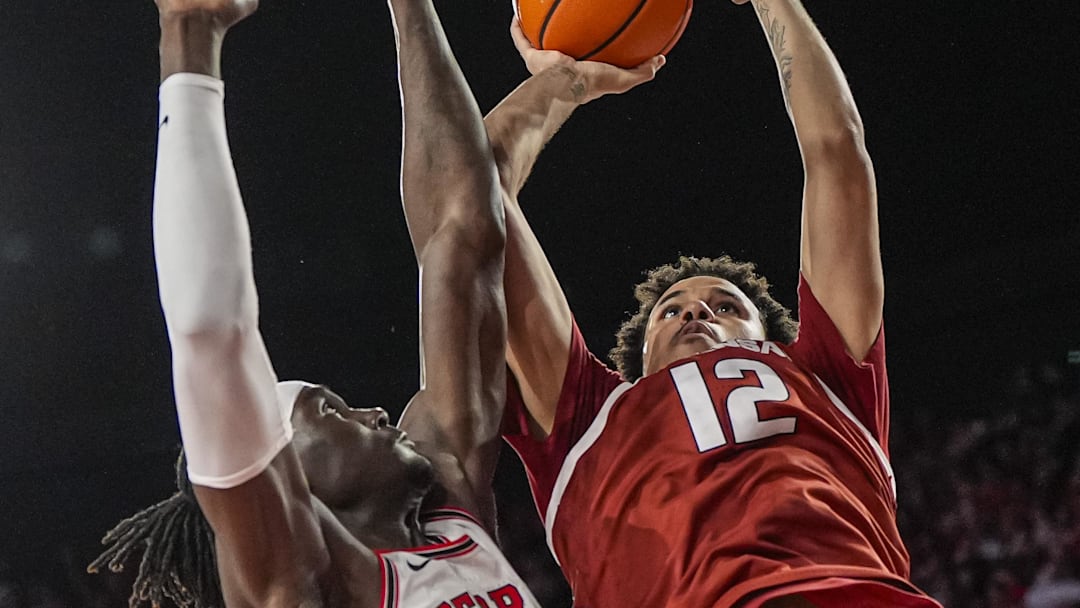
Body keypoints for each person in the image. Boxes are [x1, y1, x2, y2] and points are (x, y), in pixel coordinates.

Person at [482, 1, 944, 607]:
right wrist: (562, 83)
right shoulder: (582, 417)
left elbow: (838, 150)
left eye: (724, 304)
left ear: (766, 333)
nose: (695, 313)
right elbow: (477, 192)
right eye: (670, 311)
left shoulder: (828, 375)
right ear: (638, 357)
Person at [88, 0, 543, 606]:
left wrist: (410, 9)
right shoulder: (303, 580)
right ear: (288, 476)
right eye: (329, 411)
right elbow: (210, 333)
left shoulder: (453, 515)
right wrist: (190, 37)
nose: (375, 412)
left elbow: (463, 234)